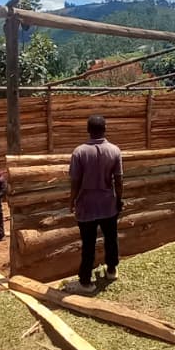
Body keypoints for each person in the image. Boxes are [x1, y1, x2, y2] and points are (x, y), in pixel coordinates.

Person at [64, 115, 124, 295]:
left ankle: (85, 282)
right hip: (108, 205)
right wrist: (119, 199)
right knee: (111, 239)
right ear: (105, 129)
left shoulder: (79, 152)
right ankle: (112, 271)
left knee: (88, 244)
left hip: (87, 206)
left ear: (88, 130)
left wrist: (72, 200)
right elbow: (119, 180)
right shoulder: (114, 150)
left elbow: (75, 181)